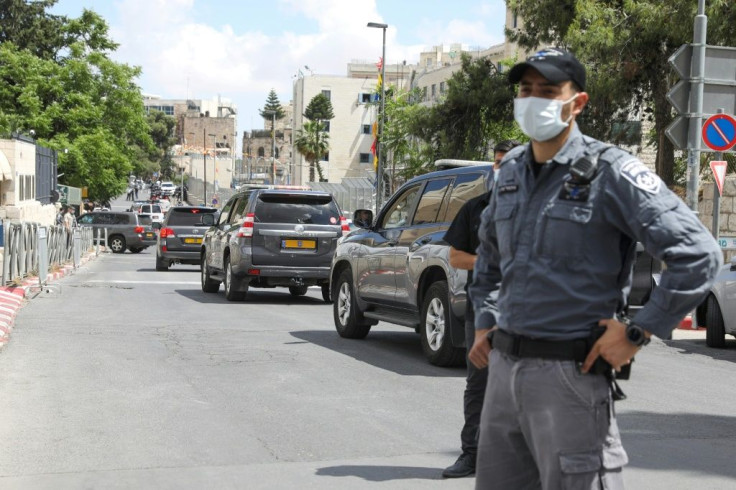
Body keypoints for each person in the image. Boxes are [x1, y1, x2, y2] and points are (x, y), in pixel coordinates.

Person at [468, 48, 723, 489]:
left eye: (547, 91)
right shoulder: (509, 171)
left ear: (578, 102)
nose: (533, 100)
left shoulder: (612, 172)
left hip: (570, 377)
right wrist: (485, 322)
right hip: (504, 373)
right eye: (526, 90)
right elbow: (489, 256)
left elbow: (698, 253)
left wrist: (638, 331)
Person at [441, 139, 521, 479]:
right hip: (483, 307)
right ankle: (471, 455)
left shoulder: (539, 210)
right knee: (479, 383)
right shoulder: (475, 208)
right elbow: (456, 256)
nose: (500, 169)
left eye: (508, 162)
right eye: (497, 162)